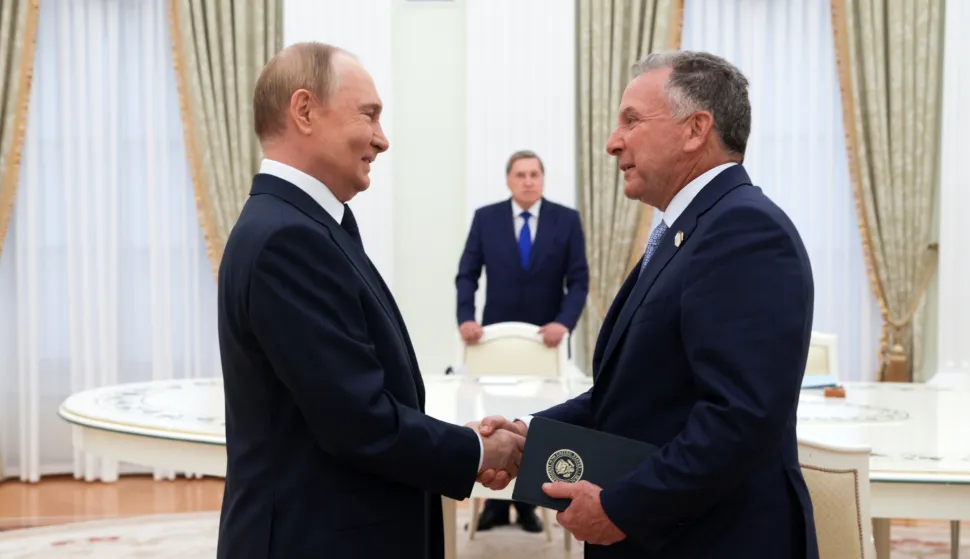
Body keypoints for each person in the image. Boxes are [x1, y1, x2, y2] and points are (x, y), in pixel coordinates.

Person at [476, 50, 820, 559]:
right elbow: (630, 396)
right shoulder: (689, 230)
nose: (613, 142)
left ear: (695, 128)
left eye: (631, 121)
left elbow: (739, 419)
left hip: (718, 540)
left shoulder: (745, 231)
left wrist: (622, 506)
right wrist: (530, 434)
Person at [216, 42, 524, 559]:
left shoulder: (307, 224)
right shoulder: (287, 239)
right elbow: (357, 421)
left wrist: (454, 439)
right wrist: (473, 450)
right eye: (370, 115)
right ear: (305, 111)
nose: (382, 140)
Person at [455, 150, 589, 532]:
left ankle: (528, 503)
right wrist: (466, 317)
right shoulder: (486, 218)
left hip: (545, 345)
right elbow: (467, 274)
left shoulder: (566, 220)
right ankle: (493, 507)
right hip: (494, 343)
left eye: (534, 174)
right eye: (520, 174)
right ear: (509, 181)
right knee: (496, 420)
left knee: (535, 420)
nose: (528, 180)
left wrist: (564, 323)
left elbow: (578, 280)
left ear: (542, 179)